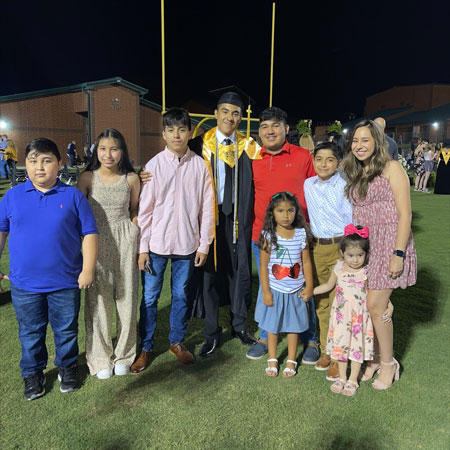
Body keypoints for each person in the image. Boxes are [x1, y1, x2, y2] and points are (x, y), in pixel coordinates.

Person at [0, 138, 98, 400]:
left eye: (46, 161)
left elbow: (89, 233)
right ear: (25, 165)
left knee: (66, 330)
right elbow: (1, 232)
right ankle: (32, 374)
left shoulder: (73, 196)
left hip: (65, 282)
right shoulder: (13, 197)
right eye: (33, 161)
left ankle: (67, 368)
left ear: (59, 164)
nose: (39, 167)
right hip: (25, 284)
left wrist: (87, 268)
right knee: (31, 332)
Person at [131, 108, 214, 373]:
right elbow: (145, 211)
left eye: (182, 129)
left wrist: (204, 244)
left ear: (190, 132)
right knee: (150, 298)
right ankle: (146, 346)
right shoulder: (154, 166)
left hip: (187, 245)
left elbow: (207, 207)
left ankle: (176, 342)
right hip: (155, 246)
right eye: (171, 130)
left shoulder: (200, 165)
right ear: (164, 133)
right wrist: (142, 249)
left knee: (180, 295)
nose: (177, 135)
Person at [343, 120, 417, 390]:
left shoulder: (392, 167)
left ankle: (388, 364)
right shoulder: (357, 171)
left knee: (375, 305)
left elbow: (405, 213)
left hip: (388, 243)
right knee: (368, 306)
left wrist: (398, 253)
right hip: (364, 244)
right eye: (355, 141)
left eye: (365, 140)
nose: (359, 146)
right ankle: (373, 360)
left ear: (376, 141)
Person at [247, 107, 319, 364]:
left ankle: (310, 338)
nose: (269, 131)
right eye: (264, 127)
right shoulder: (253, 158)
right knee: (269, 286)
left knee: (301, 286)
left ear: (286, 129)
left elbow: (318, 188)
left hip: (298, 236)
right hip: (263, 237)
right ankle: (266, 335)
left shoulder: (302, 156)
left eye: (275, 125)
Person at [77, 129, 141, 379]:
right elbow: (76, 212)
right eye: (102, 148)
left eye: (114, 148)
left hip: (126, 239)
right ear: (96, 151)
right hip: (96, 240)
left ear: (122, 151)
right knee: (98, 300)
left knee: (127, 300)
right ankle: (100, 357)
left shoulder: (131, 179)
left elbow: (135, 208)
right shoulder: (87, 178)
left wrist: (134, 229)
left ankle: (124, 354)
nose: (108, 154)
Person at [303, 141, 353, 381]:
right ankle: (325, 351)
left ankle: (338, 356)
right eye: (319, 159)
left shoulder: (344, 186)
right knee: (321, 302)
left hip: (339, 247)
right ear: (313, 161)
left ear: (339, 163)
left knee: (338, 305)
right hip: (316, 248)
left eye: (330, 160)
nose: (323, 164)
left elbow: (350, 220)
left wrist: (347, 251)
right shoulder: (308, 184)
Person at [254, 192, 313, 377]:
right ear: (273, 212)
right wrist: (266, 292)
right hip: (275, 290)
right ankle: (272, 359)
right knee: (272, 327)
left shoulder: (301, 234)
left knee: (293, 327)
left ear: (296, 212)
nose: (286, 215)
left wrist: (309, 286)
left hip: (295, 290)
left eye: (290, 210)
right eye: (280, 211)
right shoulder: (268, 235)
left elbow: (307, 263)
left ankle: (291, 360)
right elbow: (263, 266)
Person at [313, 224, 374, 396]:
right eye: (351, 255)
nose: (355, 260)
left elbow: (376, 293)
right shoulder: (339, 267)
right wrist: (311, 291)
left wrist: (388, 307)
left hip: (359, 319)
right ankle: (342, 377)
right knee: (341, 346)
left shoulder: (366, 272)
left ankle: (353, 379)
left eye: (360, 255)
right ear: (342, 253)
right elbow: (327, 285)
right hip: (341, 318)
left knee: (356, 347)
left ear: (366, 255)